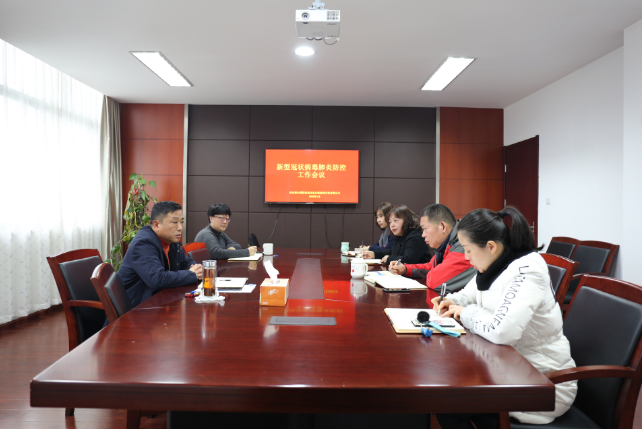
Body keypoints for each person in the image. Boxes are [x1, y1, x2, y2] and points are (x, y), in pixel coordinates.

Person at [433, 207, 577, 428]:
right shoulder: (495, 262)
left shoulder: (527, 270)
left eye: (469, 250)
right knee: (445, 393)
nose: (466, 257)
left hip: (543, 382)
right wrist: (450, 300)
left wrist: (465, 312)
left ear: (491, 246)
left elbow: (501, 331)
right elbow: (468, 294)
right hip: (507, 369)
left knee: (446, 400)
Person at [118, 201, 203, 308]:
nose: (180, 227)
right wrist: (192, 274)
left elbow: (185, 262)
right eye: (174, 222)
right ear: (156, 225)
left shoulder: (171, 240)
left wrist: (197, 269)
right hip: (136, 308)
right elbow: (157, 279)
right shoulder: (143, 243)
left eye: (182, 222)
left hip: (159, 300)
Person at [389, 204, 475, 293]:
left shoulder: (464, 246)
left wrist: (434, 271)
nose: (423, 235)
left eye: (425, 228)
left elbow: (435, 280)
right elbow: (431, 266)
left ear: (443, 226)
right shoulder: (447, 244)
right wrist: (406, 269)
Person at [363, 205, 431, 266]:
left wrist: (389, 258)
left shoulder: (415, 237)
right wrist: (374, 254)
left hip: (420, 275)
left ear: (406, 220)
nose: (392, 225)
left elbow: (409, 260)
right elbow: (392, 251)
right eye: (390, 222)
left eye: (395, 220)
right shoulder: (400, 235)